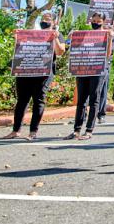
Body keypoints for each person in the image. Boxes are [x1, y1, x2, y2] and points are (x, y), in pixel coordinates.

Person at [4, 12, 67, 140]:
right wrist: (17, 36)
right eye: (43, 19)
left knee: (38, 100)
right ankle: (16, 130)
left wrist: (54, 38)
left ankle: (33, 131)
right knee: (22, 100)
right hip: (26, 70)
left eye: (48, 19)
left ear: (54, 22)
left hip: (44, 72)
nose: (44, 21)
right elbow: (21, 48)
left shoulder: (58, 35)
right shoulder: (32, 33)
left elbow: (60, 51)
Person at [67, 14, 114, 140]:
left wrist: (109, 39)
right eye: (94, 21)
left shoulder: (108, 34)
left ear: (103, 22)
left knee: (94, 99)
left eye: (98, 21)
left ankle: (89, 130)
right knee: (81, 100)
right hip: (83, 69)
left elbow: (108, 54)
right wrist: (73, 37)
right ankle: (76, 130)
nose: (96, 23)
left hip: (98, 71)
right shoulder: (85, 34)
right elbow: (76, 48)